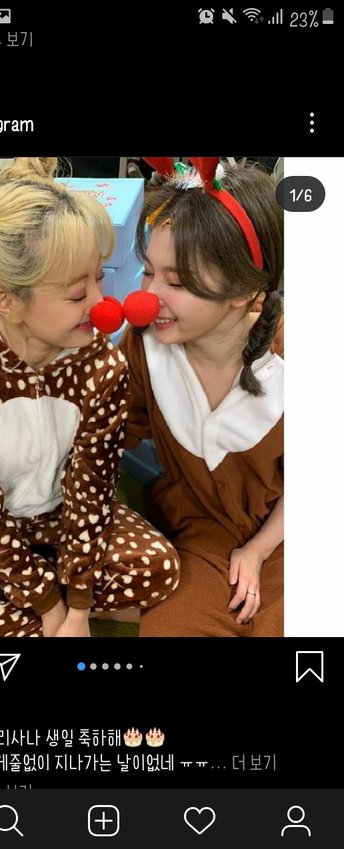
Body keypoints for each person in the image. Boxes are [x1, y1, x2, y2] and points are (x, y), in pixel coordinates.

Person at [0, 157, 179, 638]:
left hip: (62, 514)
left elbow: (91, 488)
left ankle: (24, 596)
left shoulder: (102, 365)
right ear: (6, 301)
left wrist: (77, 606)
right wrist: (50, 609)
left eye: (99, 279)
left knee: (158, 568)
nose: (101, 304)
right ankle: (30, 592)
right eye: (76, 294)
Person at [120, 158, 283, 637]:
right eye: (147, 272)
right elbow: (105, 439)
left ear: (244, 290)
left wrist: (258, 551)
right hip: (194, 541)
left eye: (177, 282)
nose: (148, 297)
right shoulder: (143, 347)